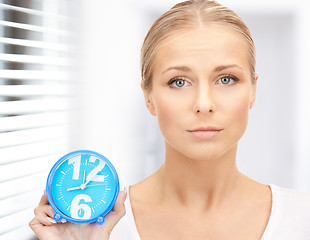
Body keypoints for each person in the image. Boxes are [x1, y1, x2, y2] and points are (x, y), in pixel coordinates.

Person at [30, 0, 310, 239]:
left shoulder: (303, 220)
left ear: (253, 91)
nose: (203, 104)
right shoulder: (94, 227)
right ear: (148, 97)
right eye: (178, 82)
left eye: (226, 79)